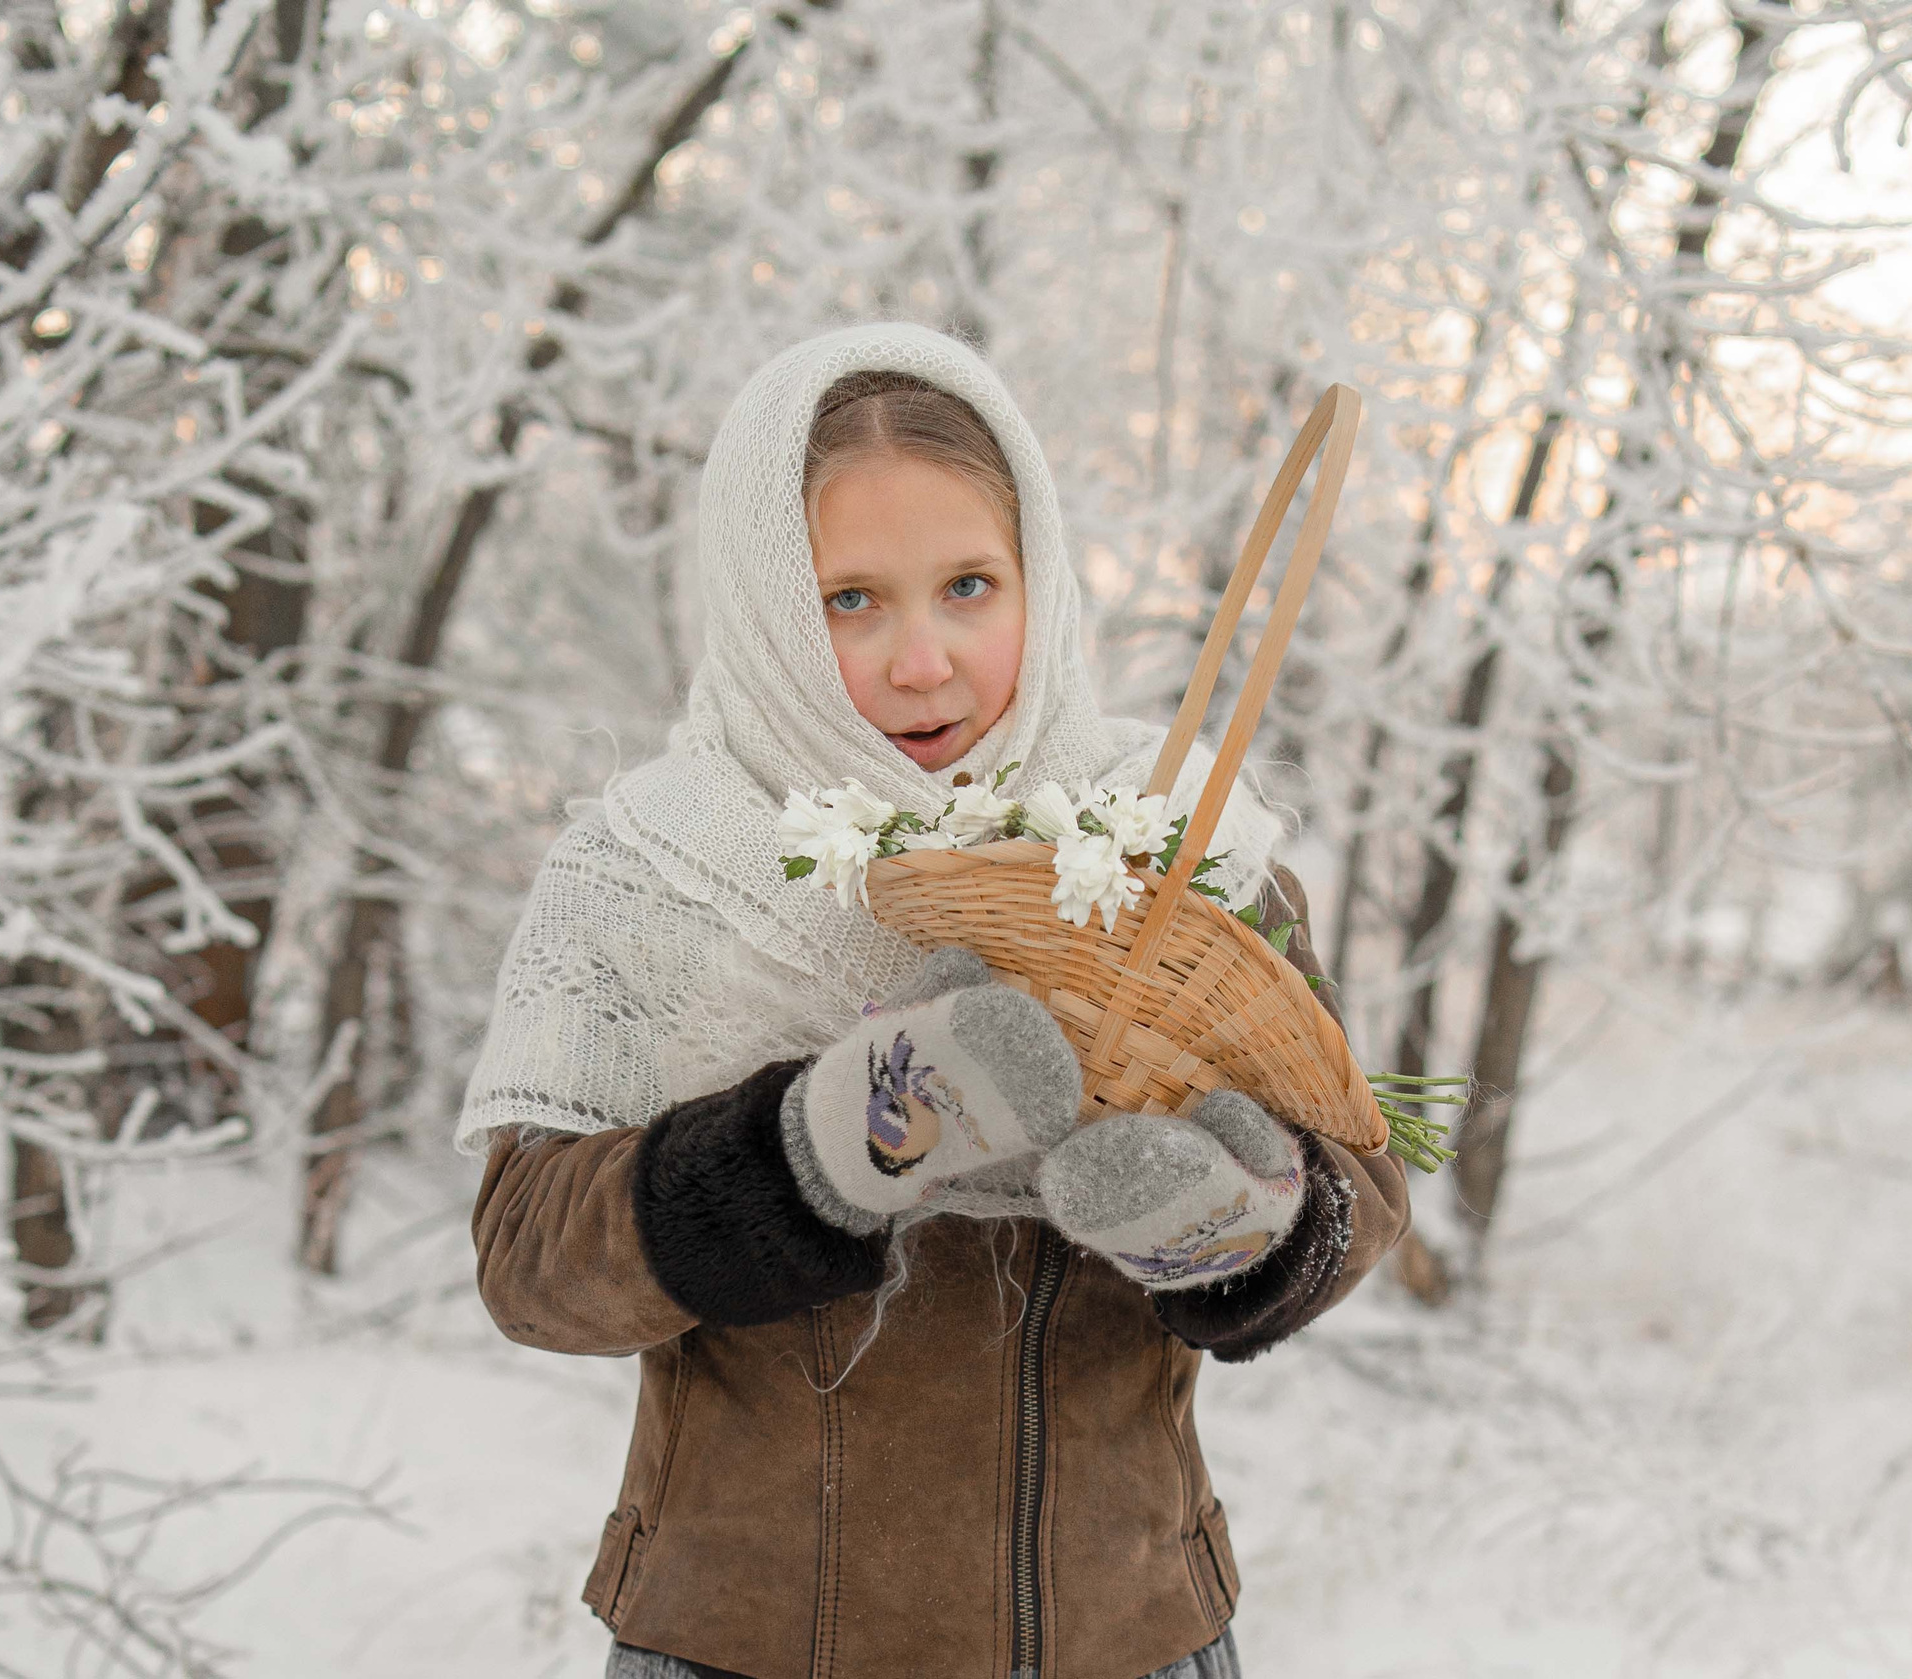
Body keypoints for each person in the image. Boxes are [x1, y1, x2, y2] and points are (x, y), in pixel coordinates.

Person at [460, 322, 1410, 1679]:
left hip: (1130, 1643)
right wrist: (821, 1149)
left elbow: (1359, 1187)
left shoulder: (1164, 840)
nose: (924, 660)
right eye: (851, 599)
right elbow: (532, 1266)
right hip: (747, 1651)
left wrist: (1239, 1231)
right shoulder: (658, 863)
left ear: (1043, 581)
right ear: (766, 606)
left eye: (970, 585)